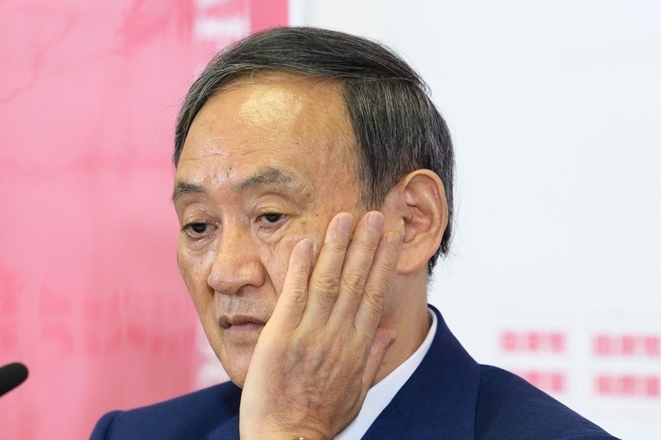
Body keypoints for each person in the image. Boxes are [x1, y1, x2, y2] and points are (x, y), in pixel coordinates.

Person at [91, 27, 615, 439]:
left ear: (412, 223)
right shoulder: (133, 434)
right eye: (199, 225)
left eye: (270, 216)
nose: (227, 273)